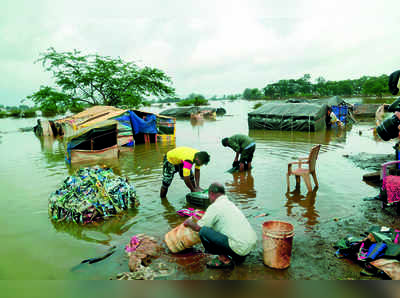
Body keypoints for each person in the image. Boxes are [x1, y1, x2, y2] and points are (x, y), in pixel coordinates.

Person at [184, 182, 257, 269]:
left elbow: (197, 227)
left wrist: (188, 222)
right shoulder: (230, 204)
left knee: (203, 232)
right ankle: (238, 256)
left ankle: (224, 259)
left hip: (240, 248)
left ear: (211, 194)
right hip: (250, 245)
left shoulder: (215, 207)